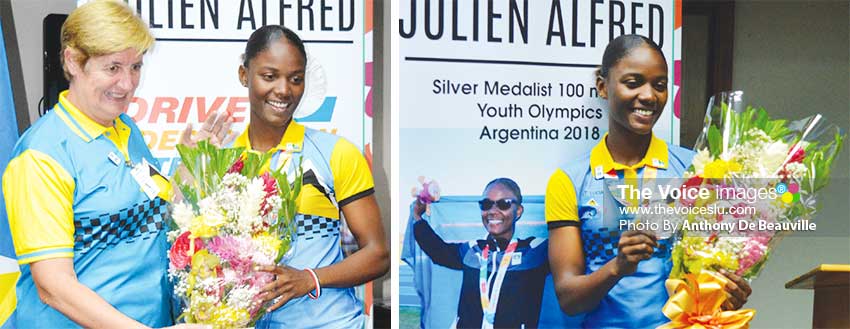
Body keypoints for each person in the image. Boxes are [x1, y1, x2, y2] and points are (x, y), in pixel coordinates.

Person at [1, 1, 225, 328]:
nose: (128, 83)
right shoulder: (42, 155)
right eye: (113, 68)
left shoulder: (125, 128)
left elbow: (152, 211)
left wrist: (191, 165)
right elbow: (54, 287)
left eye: (135, 67)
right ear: (73, 61)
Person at [544, 34, 753, 328]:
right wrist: (619, 266)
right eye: (633, 83)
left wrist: (727, 291)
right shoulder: (570, 181)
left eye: (659, 85)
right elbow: (568, 299)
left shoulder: (694, 169)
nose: (649, 96)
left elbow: (710, 268)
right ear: (603, 87)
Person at [230, 25, 389, 327]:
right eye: (269, 76)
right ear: (244, 75)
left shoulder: (335, 152)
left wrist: (309, 279)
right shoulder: (223, 161)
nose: (284, 90)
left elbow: (377, 254)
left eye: (295, 79)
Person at [412, 178, 549, 328]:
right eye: (486, 204)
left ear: (518, 211)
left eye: (504, 204)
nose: (492, 211)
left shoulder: (535, 251)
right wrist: (418, 218)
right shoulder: (472, 250)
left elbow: (572, 249)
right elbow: (437, 251)